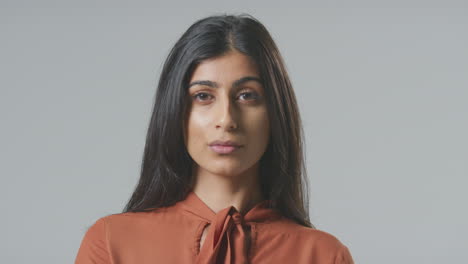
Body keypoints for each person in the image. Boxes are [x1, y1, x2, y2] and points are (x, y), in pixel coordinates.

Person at [75, 13, 355, 264]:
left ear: (275, 113)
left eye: (247, 95)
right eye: (203, 96)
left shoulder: (323, 255)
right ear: (175, 112)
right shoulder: (112, 243)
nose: (227, 119)